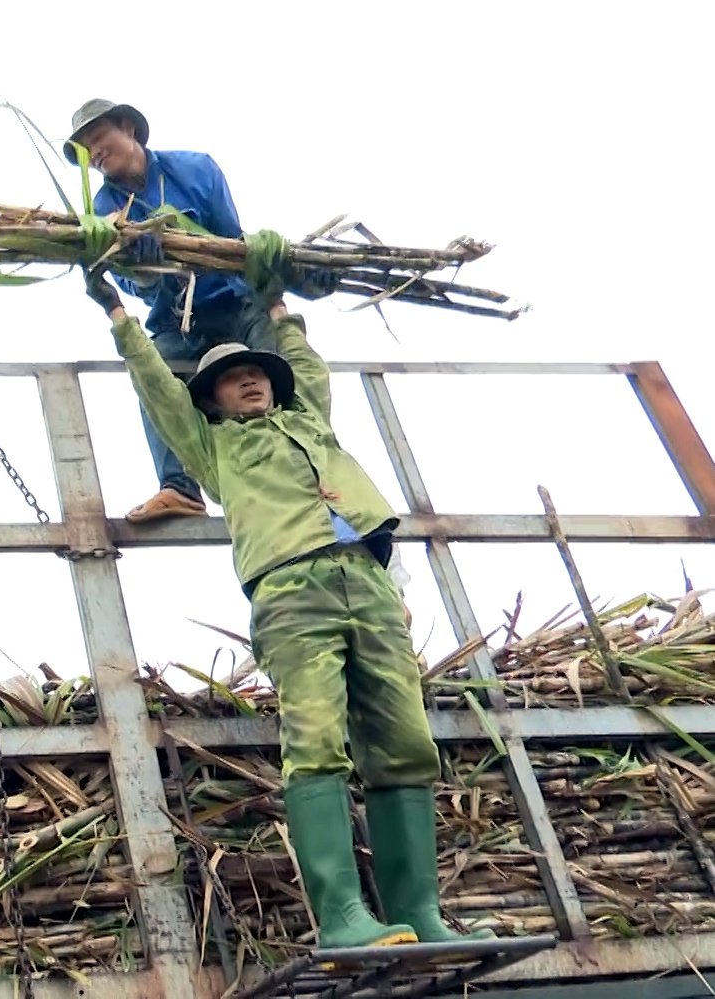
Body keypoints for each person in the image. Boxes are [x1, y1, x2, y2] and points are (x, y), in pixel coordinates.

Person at [81, 245, 491, 949]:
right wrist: (118, 312)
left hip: (365, 575)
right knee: (316, 739)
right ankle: (341, 919)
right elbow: (155, 384)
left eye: (255, 374)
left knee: (403, 741)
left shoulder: (310, 422)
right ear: (211, 398)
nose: (249, 383)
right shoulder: (216, 448)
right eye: (232, 379)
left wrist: (273, 300)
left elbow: (306, 368)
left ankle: (418, 913)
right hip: (292, 587)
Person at [65, 98, 278, 523]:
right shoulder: (102, 211)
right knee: (154, 376)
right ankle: (179, 487)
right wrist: (145, 273)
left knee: (276, 359)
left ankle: (307, 459)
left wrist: (199, 251)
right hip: (176, 319)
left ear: (127, 127)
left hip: (230, 302)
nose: (97, 155)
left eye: (99, 139)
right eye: (88, 152)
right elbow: (127, 280)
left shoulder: (196, 169)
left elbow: (232, 242)